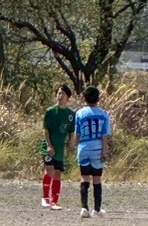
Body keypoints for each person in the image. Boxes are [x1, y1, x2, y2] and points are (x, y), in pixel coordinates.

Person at [73, 87, 111, 219]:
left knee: (84, 178)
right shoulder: (103, 114)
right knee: (97, 179)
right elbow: (104, 136)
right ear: (98, 98)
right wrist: (105, 151)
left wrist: (77, 148)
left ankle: (84, 208)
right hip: (97, 148)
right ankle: (97, 209)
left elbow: (77, 134)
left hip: (83, 148)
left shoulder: (79, 113)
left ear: (85, 98)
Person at [41, 85, 75, 208]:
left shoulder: (71, 114)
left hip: (60, 147)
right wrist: (49, 145)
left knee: (58, 173)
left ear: (68, 97)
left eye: (63, 94)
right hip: (48, 145)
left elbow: (71, 131)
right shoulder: (50, 111)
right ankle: (45, 198)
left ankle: (54, 201)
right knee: (49, 170)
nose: (60, 96)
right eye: (59, 93)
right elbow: (45, 129)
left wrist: (71, 143)